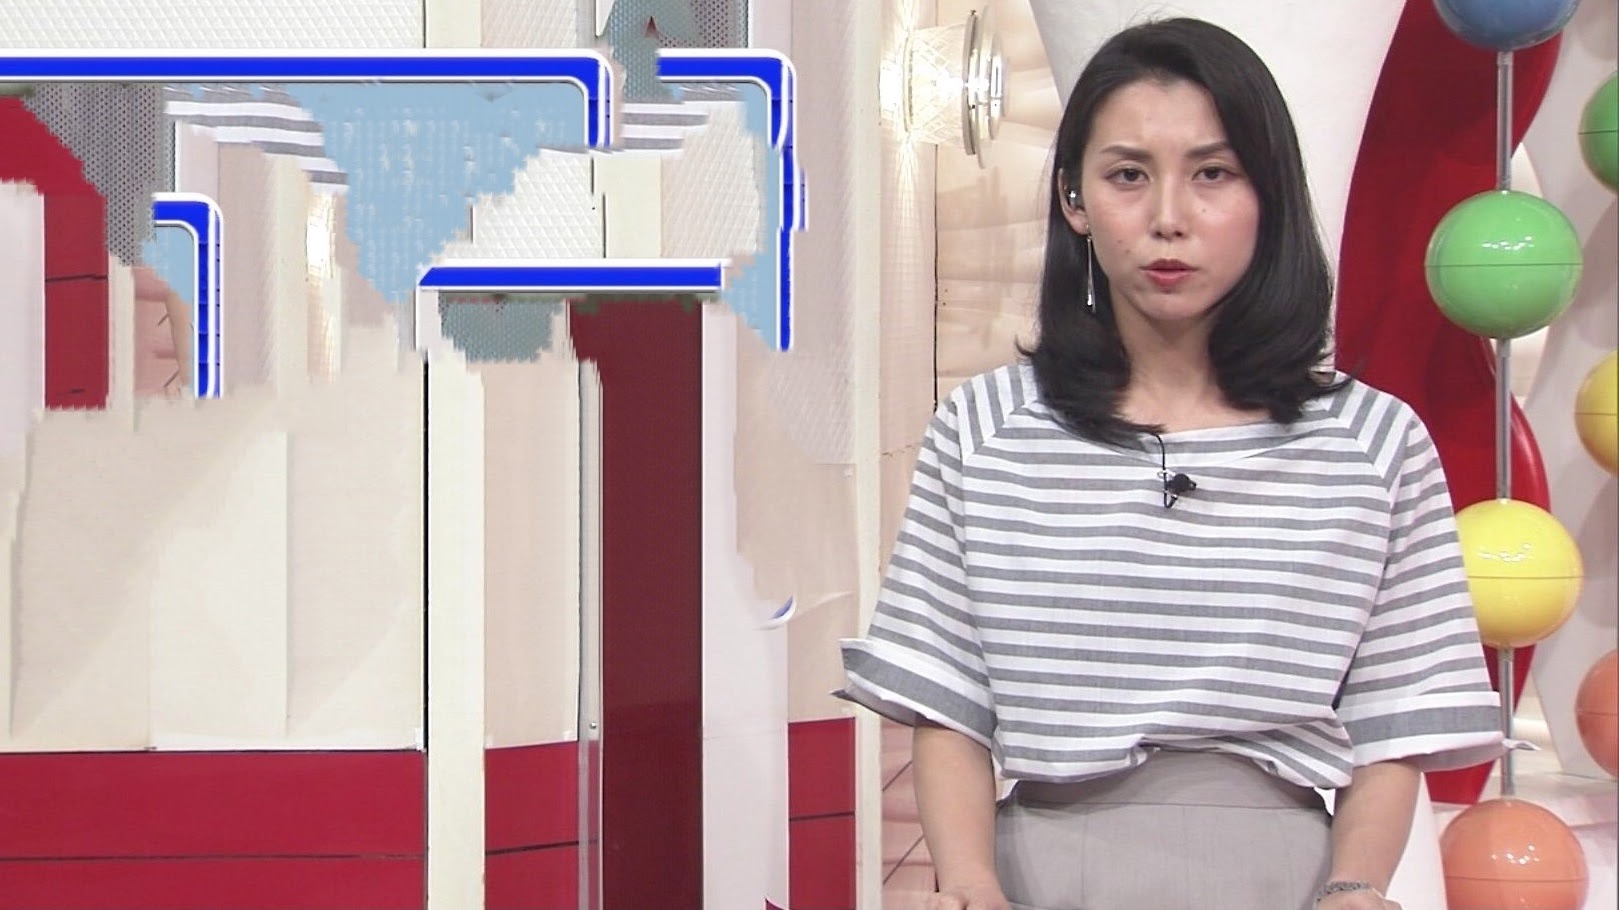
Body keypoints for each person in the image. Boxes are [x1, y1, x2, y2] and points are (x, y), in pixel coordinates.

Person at [838, 17, 1506, 910]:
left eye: (1212, 174)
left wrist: (1354, 886)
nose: (1167, 219)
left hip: (1288, 878)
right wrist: (966, 883)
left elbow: (1393, 718)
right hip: (1037, 874)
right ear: (1073, 199)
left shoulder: (1375, 442)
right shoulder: (983, 429)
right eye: (1127, 175)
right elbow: (945, 699)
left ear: (1267, 194)